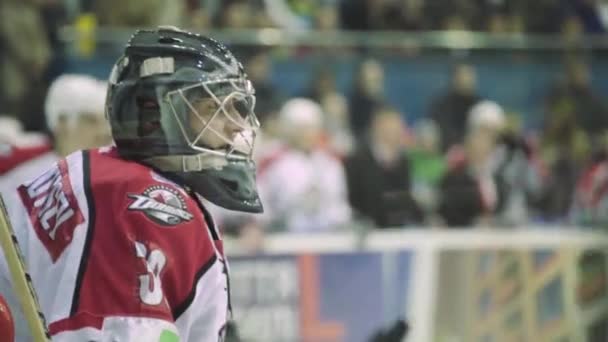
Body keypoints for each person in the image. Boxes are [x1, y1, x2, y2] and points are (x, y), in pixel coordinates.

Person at [0, 27, 261, 341]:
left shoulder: (106, 175)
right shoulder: (144, 204)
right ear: (160, 115)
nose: (236, 125)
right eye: (214, 108)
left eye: (236, 107)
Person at [0, 75, 109, 197]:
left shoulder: (119, 174)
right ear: (62, 124)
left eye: (106, 122)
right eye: (91, 121)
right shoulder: (22, 185)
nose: (104, 132)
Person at [257, 98, 351, 233]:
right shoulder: (272, 161)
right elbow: (263, 202)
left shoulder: (331, 163)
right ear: (289, 130)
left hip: (328, 237)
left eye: (311, 128)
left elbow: (340, 203)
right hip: (284, 236)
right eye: (301, 128)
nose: (307, 134)